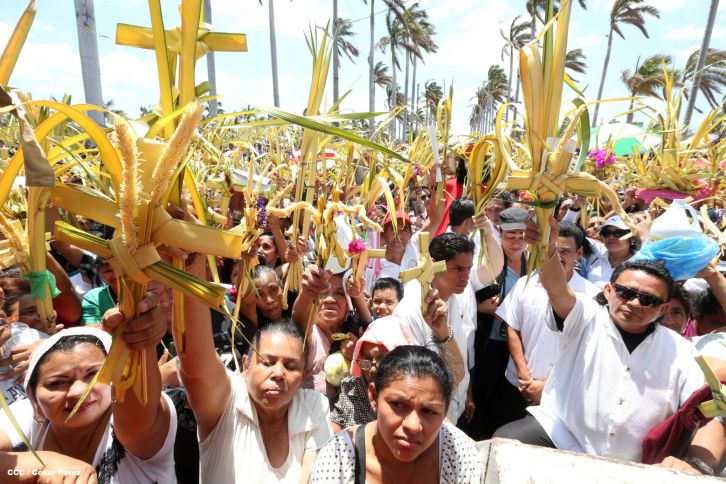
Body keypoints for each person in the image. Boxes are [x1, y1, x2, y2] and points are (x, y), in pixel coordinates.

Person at [494, 217, 704, 463]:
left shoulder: (683, 352)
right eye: (626, 293)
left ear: (663, 309)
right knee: (507, 443)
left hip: (633, 463)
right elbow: (557, 288)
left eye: (648, 300)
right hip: (561, 435)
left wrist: (697, 463)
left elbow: (705, 413)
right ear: (608, 291)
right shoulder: (584, 317)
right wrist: (547, 250)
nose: (634, 303)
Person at [176, 252, 332, 483]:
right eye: (267, 362)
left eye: (290, 367)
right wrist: (192, 261)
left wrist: (308, 294)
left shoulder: (314, 407)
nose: (278, 373)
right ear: (246, 366)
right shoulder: (226, 401)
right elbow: (196, 365)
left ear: (303, 376)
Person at [0, 296, 177, 483]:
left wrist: (139, 335)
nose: (78, 391)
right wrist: (42, 465)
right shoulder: (32, 416)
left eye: (93, 374)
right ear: (33, 399)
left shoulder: (131, 424)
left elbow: (139, 401)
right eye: (57, 383)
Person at [309, 345, 482, 483]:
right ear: (373, 397)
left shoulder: (458, 453)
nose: (413, 426)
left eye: (429, 411)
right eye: (398, 405)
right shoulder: (338, 459)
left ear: (445, 410)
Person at [498, 222, 599, 421]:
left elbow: (589, 351)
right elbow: (512, 328)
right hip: (518, 385)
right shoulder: (524, 284)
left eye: (565, 251)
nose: (558, 256)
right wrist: (524, 376)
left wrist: (546, 386)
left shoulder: (592, 296)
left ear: (579, 254)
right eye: (552, 249)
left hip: (560, 394)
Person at [394, 232, 475, 423]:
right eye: (458, 269)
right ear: (433, 265)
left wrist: (467, 390)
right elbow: (412, 374)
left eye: (469, 269)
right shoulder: (409, 310)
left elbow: (461, 349)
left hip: (453, 409)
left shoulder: (456, 299)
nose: (466, 277)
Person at [330, 317, 409, 432]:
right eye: (366, 359)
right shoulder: (351, 387)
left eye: (382, 359)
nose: (372, 369)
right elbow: (336, 422)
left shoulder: (414, 391)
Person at [80, 259, 118, 325]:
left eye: (122, 268)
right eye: (108, 271)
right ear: (100, 273)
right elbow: (90, 332)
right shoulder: (93, 297)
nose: (116, 275)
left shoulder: (142, 292)